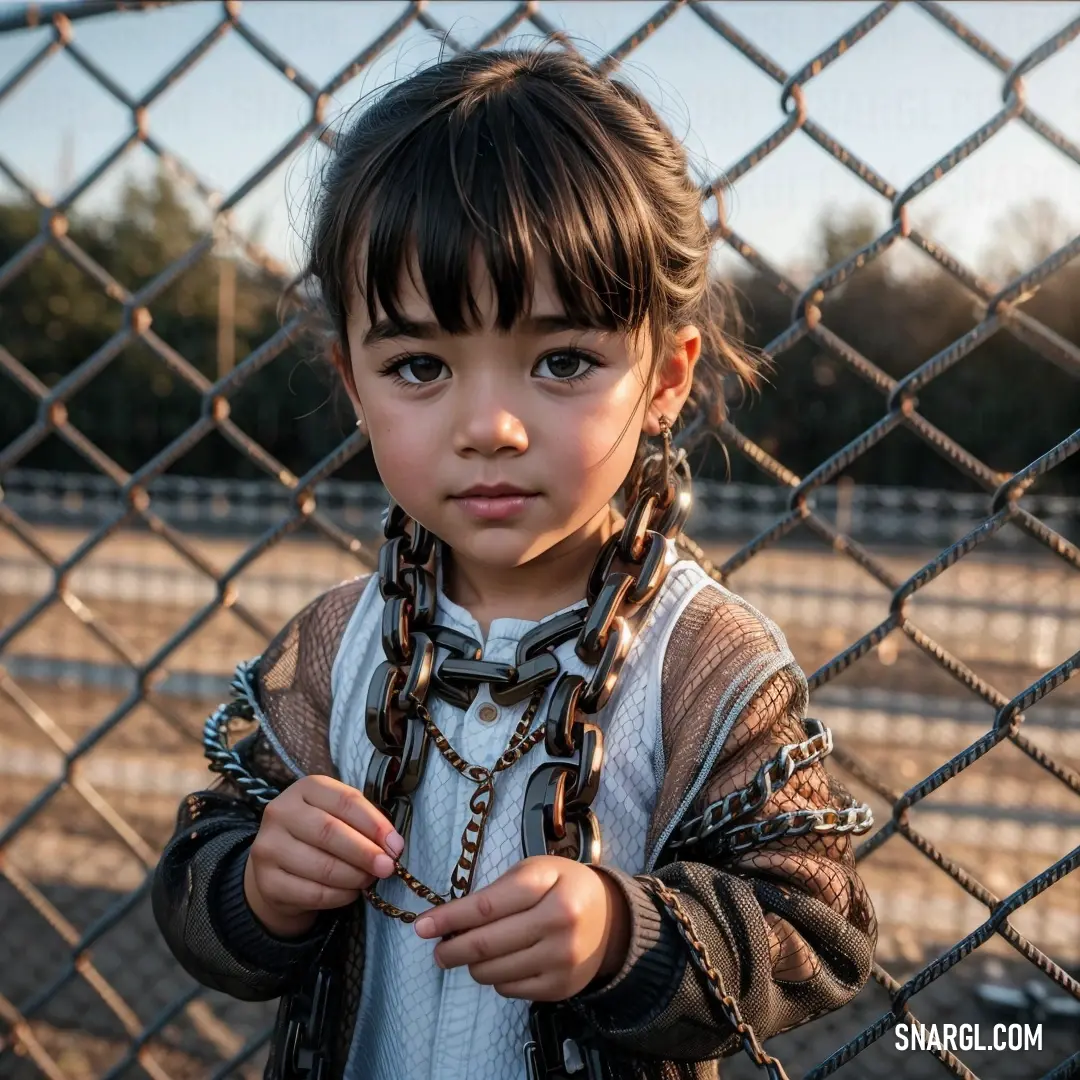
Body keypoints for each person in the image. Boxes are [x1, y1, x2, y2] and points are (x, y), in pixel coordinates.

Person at [152, 46, 877, 1080]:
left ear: (667, 377)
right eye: (418, 366)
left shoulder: (704, 660)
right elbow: (198, 876)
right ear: (351, 381)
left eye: (563, 361)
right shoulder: (334, 644)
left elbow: (818, 927)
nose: (488, 425)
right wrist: (257, 883)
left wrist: (632, 935)